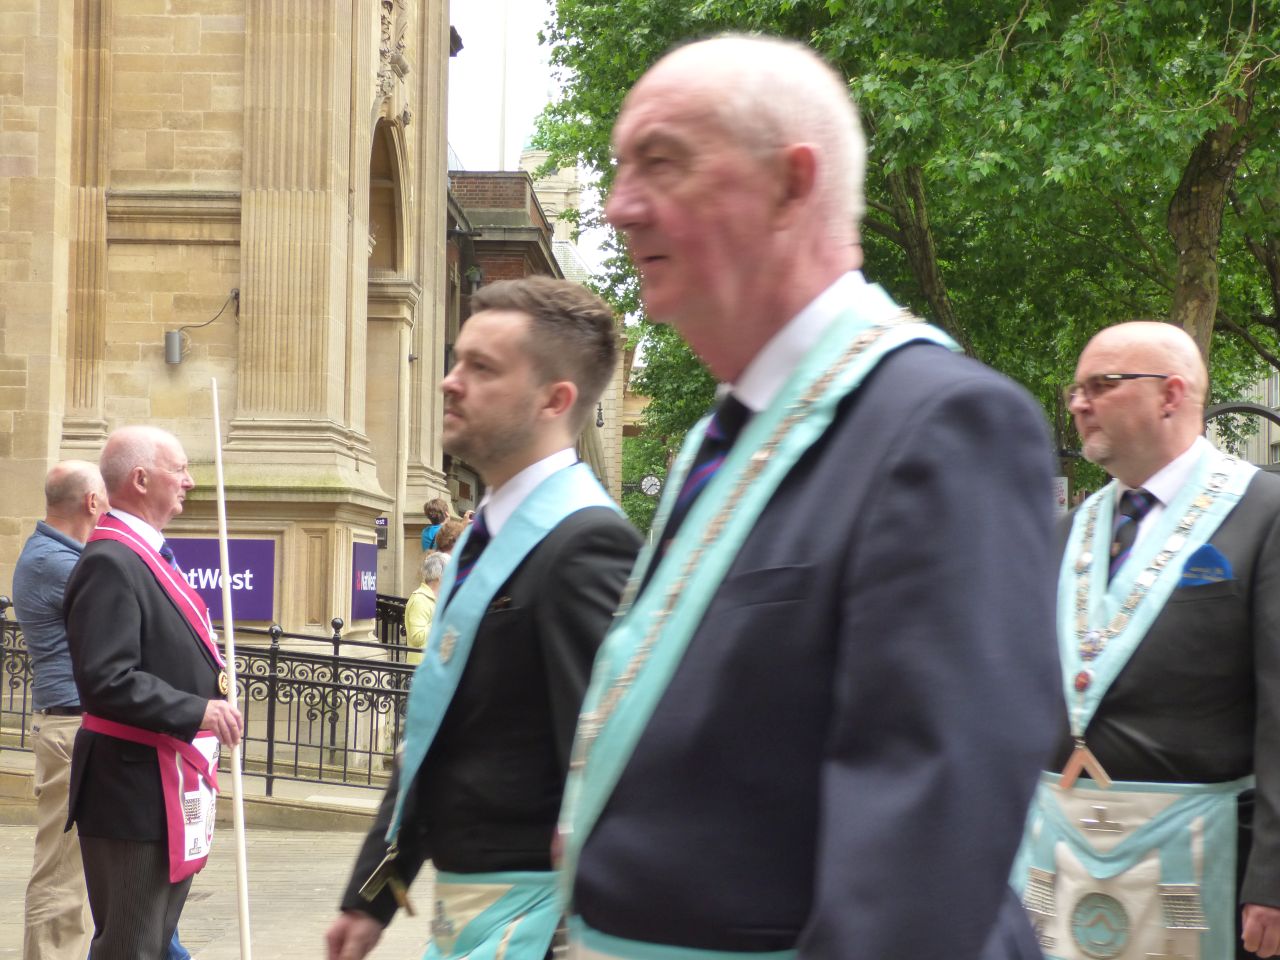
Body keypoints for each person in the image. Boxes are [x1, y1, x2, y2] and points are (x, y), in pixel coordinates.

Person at [559, 34, 1061, 960]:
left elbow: (922, 859)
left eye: (661, 164)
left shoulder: (945, 426)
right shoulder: (728, 433)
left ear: (792, 185)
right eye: (622, 168)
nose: (621, 205)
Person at [325, 276, 642, 960]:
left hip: (540, 927)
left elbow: (612, 768)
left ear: (555, 400)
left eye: (482, 367)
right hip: (471, 917)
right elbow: (435, 729)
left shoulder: (587, 544)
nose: (449, 381)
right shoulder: (484, 537)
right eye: (455, 360)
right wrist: (371, 898)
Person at [1014, 321, 1280, 960]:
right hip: (1061, 856)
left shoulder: (1264, 512)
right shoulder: (1068, 531)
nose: (1079, 404)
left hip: (1207, 859)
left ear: (1171, 395)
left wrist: (1274, 874)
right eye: (1075, 390)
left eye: (1101, 385)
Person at [64, 426, 243, 959]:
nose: (190, 481)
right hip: (132, 789)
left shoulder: (144, 555)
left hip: (158, 784)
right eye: (180, 469)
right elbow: (107, 680)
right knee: (131, 947)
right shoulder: (110, 560)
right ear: (141, 479)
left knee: (153, 942)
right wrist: (198, 708)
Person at [13, 461, 107, 960]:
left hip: (77, 724)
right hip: (71, 729)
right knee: (61, 877)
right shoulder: (57, 563)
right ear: (92, 502)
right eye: (106, 498)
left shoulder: (61, 556)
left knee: (77, 874)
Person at [404, 550, 446, 665]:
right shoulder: (420, 599)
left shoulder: (437, 598)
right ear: (439, 576)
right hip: (421, 668)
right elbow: (417, 637)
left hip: (434, 665)